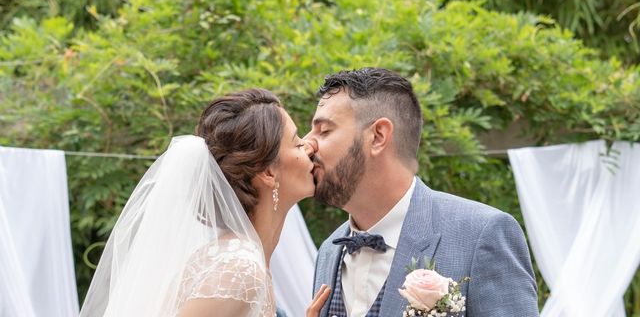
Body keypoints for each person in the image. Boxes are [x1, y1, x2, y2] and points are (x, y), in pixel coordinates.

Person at [306, 68, 539, 317]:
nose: (307, 144)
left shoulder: (481, 235)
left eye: (324, 131)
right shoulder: (329, 251)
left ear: (378, 136)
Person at [79, 88, 331, 317]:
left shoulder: (238, 257)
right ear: (267, 173)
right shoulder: (239, 270)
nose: (309, 147)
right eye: (297, 143)